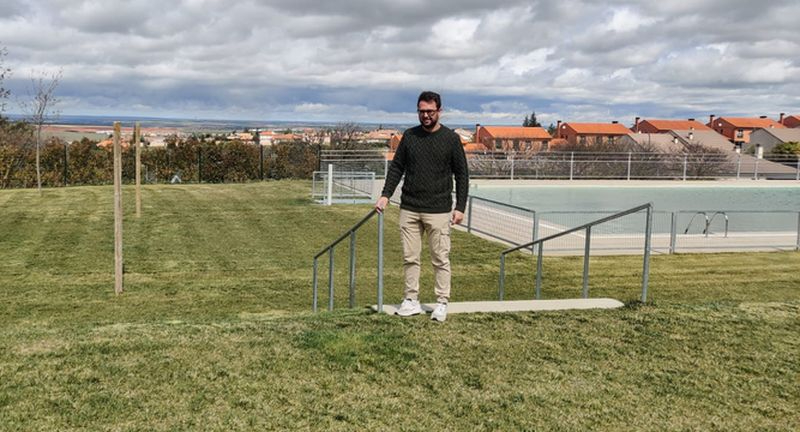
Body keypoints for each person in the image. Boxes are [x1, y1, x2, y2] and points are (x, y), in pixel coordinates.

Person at [375, 91, 469, 322]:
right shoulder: (409, 137)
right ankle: (411, 300)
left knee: (440, 258)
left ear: (439, 111)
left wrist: (460, 207)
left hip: (438, 209)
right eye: (421, 111)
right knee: (410, 257)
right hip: (409, 208)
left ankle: (441, 303)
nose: (425, 115)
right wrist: (386, 195)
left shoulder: (450, 139)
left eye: (430, 111)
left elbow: (462, 175)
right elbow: (397, 167)